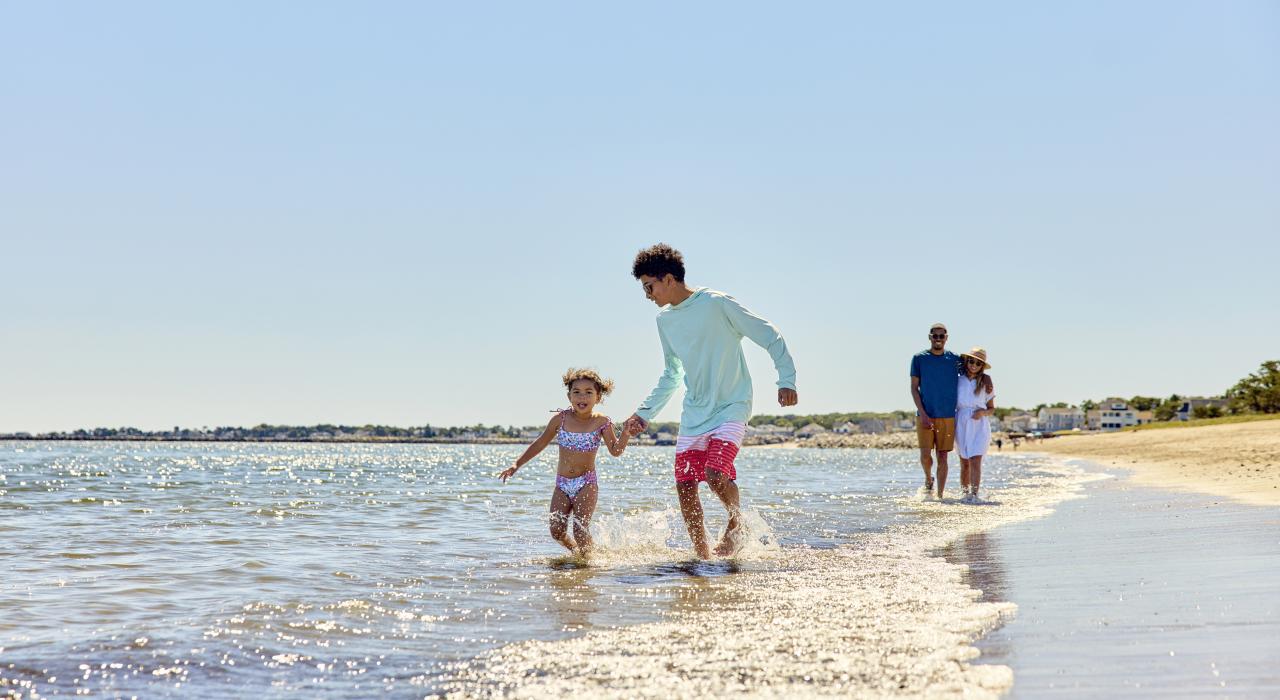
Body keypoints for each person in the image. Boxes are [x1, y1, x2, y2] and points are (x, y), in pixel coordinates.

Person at [623, 244, 797, 559]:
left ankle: (735, 523)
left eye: (650, 286)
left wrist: (786, 379)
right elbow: (671, 374)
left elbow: (768, 334)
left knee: (716, 473)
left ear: (669, 279)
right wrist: (643, 414)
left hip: (732, 405)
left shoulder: (717, 304)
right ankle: (702, 556)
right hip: (694, 414)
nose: (647, 294)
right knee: (685, 486)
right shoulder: (665, 321)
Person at [499, 368, 629, 556]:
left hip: (586, 483)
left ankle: (590, 562)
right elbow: (540, 442)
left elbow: (616, 451)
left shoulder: (602, 422)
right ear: (569, 396)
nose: (582, 397)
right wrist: (516, 465)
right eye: (576, 392)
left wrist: (625, 434)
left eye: (588, 392)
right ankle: (580, 555)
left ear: (598, 397)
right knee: (557, 531)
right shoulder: (560, 419)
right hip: (562, 484)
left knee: (580, 530)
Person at [910, 323, 961, 499]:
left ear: (946, 337)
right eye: (935, 335)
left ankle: (940, 496)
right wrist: (922, 413)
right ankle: (928, 478)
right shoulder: (919, 358)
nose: (938, 339)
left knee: (943, 457)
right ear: (930, 337)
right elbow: (914, 388)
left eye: (942, 336)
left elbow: (973, 372)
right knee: (925, 456)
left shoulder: (955, 359)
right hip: (925, 415)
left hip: (947, 416)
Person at [955, 348, 996, 503]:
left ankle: (975, 495)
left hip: (979, 424)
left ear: (982, 366)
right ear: (966, 361)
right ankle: (965, 494)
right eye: (971, 361)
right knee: (964, 462)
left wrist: (982, 413)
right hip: (961, 422)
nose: (974, 365)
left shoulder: (986, 381)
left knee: (976, 460)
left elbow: (992, 408)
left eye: (978, 363)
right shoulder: (958, 379)